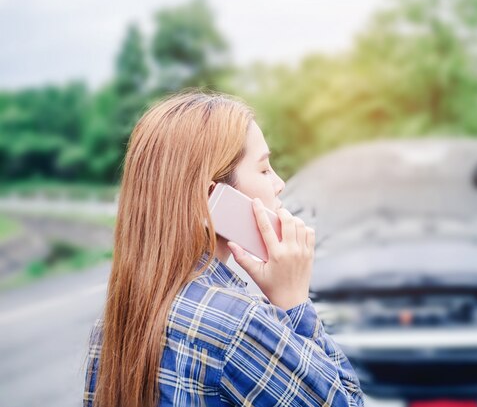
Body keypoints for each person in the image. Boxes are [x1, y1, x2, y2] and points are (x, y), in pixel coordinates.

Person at [83, 91, 364, 407]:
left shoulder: (112, 323)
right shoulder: (239, 323)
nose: (280, 183)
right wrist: (295, 302)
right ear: (211, 199)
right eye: (264, 169)